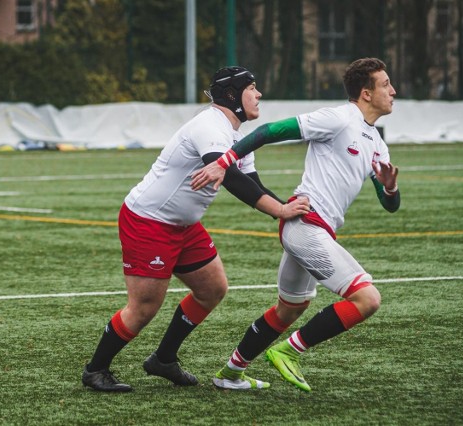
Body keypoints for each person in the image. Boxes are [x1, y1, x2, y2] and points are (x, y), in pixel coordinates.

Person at [82, 66, 310, 392]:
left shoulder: (237, 134)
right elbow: (228, 177)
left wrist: (285, 213)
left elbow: (250, 181)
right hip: (149, 222)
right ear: (232, 95)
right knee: (144, 307)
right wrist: (281, 210)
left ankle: (163, 359)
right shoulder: (210, 125)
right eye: (252, 88)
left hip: (183, 226)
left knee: (212, 289)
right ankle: (96, 369)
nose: (259, 95)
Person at [190, 57, 400, 392]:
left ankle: (229, 373)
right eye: (386, 84)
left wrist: (389, 188)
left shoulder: (377, 142)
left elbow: (391, 206)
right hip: (305, 226)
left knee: (290, 308)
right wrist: (226, 161)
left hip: (314, 231)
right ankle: (289, 351)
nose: (393, 90)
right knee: (368, 300)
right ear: (365, 93)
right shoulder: (338, 118)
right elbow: (268, 132)